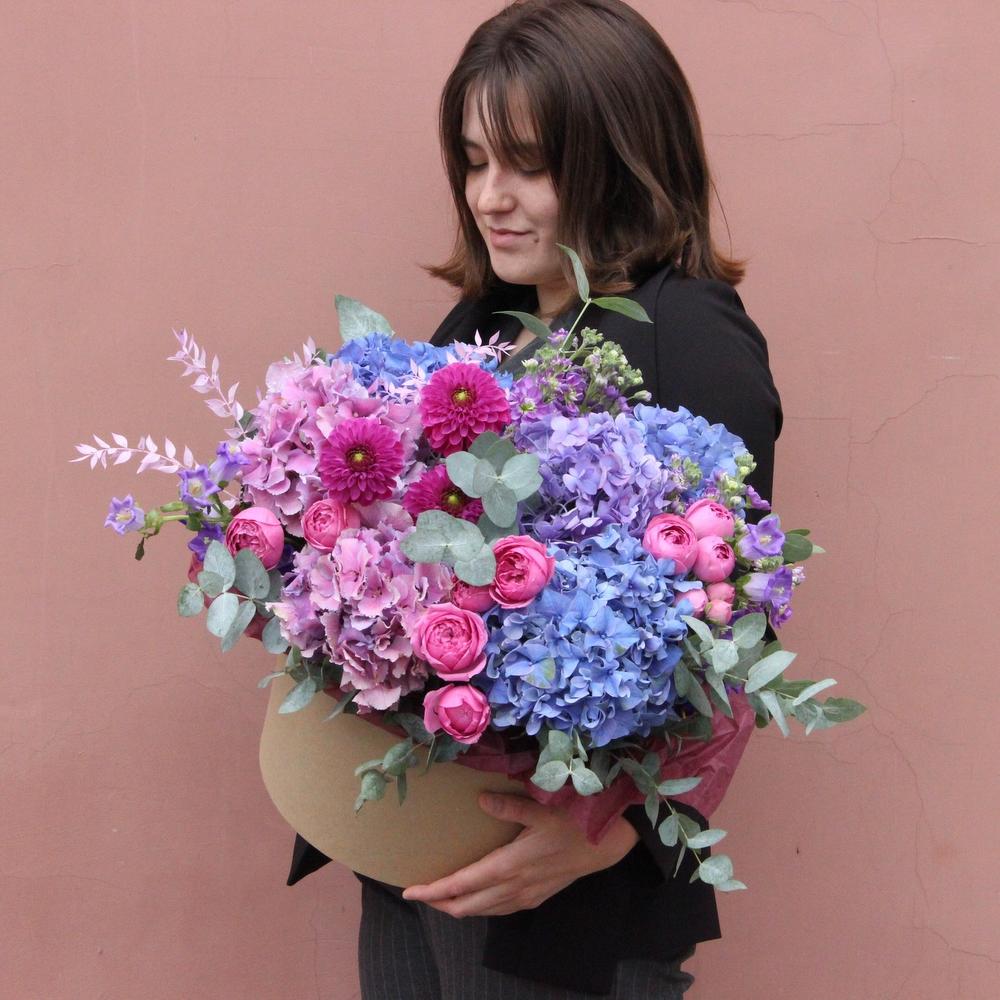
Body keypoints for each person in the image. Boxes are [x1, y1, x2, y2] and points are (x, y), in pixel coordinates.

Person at [287, 1, 783, 997]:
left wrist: (610, 829)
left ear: (621, 160)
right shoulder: (489, 317)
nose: (489, 197)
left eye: (528, 165)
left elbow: (734, 625)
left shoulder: (689, 335)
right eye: (473, 162)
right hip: (417, 862)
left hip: (561, 912)